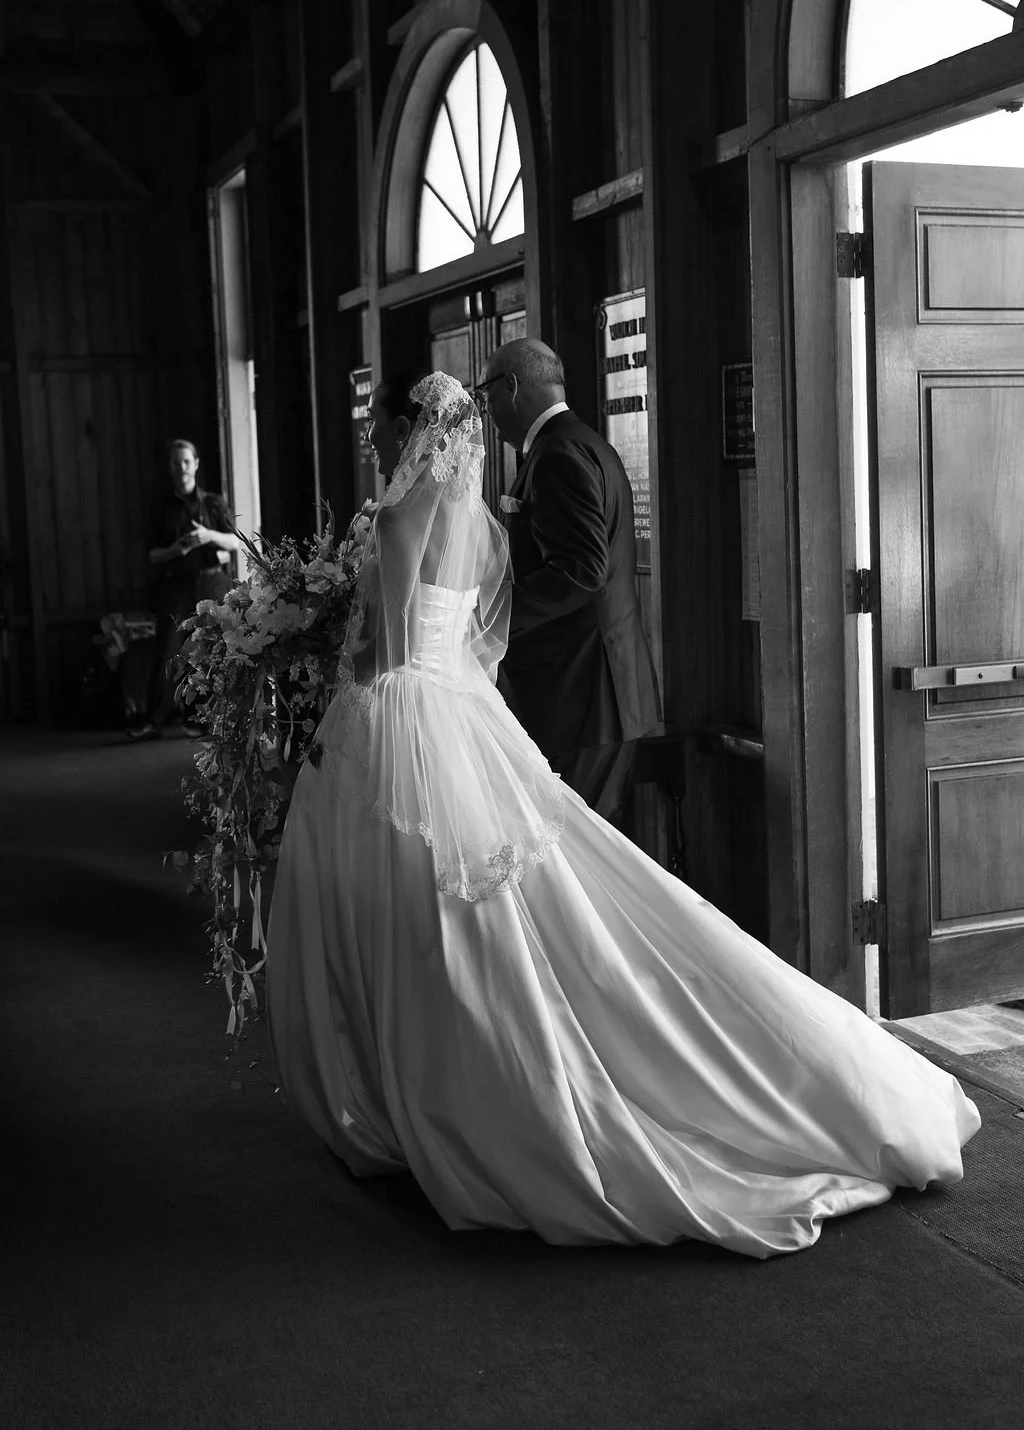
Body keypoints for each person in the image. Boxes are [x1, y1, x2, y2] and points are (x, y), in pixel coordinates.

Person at [266, 370, 979, 1260]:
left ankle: (436, 1098)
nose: (377, 442)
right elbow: (476, 648)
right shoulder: (476, 524)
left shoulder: (404, 519)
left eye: (384, 428)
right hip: (460, 718)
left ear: (415, 436)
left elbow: (397, 657)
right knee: (524, 904)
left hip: (406, 722)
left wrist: (331, 664)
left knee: (441, 917)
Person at [475, 338, 659, 824]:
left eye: (485, 395)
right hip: (593, 694)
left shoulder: (558, 454)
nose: (486, 411)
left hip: (584, 695)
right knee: (583, 860)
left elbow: (581, 571)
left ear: (509, 387)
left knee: (577, 859)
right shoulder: (582, 441)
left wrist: (487, 619)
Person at [127, 438, 240, 742]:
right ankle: (153, 719)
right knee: (167, 651)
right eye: (176, 464)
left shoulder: (214, 503)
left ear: (196, 464)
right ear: (170, 468)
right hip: (176, 584)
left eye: (186, 462)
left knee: (213, 651)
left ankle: (207, 719)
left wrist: (206, 535)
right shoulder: (161, 507)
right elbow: (152, 555)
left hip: (212, 582)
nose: (181, 469)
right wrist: (175, 550)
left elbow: (234, 543)